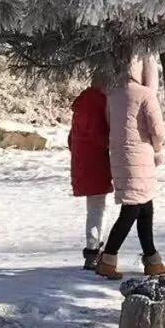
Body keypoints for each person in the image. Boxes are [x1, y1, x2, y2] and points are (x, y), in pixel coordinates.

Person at [95, 54, 165, 279]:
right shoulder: (146, 94)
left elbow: (110, 123)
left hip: (120, 156)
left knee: (145, 208)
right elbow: (158, 131)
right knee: (132, 209)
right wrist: (157, 148)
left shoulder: (112, 95)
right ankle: (108, 258)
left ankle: (152, 258)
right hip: (141, 158)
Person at [68, 71, 114, 270]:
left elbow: (71, 138)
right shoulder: (104, 102)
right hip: (99, 160)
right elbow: (104, 135)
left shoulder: (81, 103)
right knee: (98, 208)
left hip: (81, 160)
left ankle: (93, 248)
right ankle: (94, 250)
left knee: (93, 207)